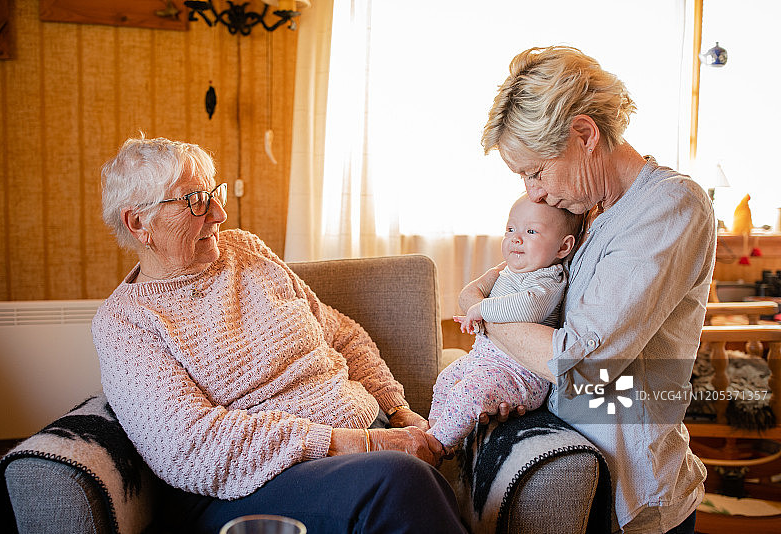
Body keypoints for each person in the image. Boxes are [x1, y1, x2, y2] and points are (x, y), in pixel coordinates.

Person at [92, 136, 465, 534]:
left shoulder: (246, 251)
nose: (218, 213)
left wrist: (397, 410)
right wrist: (368, 445)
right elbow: (192, 447)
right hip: (254, 483)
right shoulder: (124, 323)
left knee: (421, 480)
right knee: (403, 483)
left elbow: (342, 335)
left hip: (368, 441)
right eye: (196, 201)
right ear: (139, 223)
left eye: (214, 194)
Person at [477, 46, 716, 534]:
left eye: (536, 172)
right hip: (578, 469)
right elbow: (530, 305)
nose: (533, 193)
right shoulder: (584, 213)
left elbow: (581, 363)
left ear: (584, 134)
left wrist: (483, 314)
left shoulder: (669, 205)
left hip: (637, 495)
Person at [427, 195, 581, 448]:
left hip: (520, 372)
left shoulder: (548, 279)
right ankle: (432, 429)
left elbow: (527, 308)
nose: (515, 238)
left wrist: (481, 309)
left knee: (467, 394)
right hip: (485, 360)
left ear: (563, 247)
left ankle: (436, 445)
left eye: (531, 231)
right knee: (445, 379)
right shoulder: (509, 270)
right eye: (510, 229)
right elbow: (472, 292)